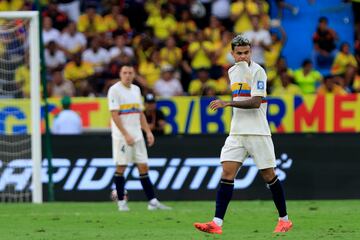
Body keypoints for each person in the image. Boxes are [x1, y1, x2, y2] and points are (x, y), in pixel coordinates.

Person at [193, 35, 293, 234]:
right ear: (232, 54)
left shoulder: (258, 71)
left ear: (251, 53)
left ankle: (284, 219)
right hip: (237, 132)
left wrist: (227, 103)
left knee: (269, 175)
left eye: (246, 52)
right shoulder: (232, 71)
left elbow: (256, 102)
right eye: (239, 53)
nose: (242, 57)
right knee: (227, 173)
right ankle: (216, 223)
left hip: (258, 132)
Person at [107, 64, 171, 211]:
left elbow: (140, 113)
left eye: (130, 72)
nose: (127, 75)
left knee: (143, 166)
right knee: (121, 167)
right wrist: (125, 134)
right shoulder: (115, 90)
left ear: (134, 74)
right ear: (120, 74)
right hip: (122, 136)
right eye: (125, 72)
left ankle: (152, 202)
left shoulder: (136, 89)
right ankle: (121, 202)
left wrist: (148, 132)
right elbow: (114, 115)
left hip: (137, 134)